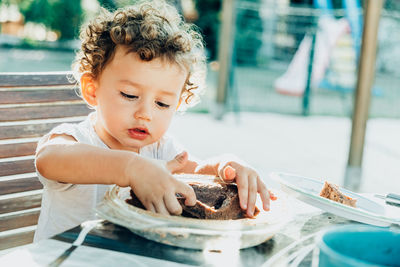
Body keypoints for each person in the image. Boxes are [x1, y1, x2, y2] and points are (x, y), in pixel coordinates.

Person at [34, 0, 274, 242]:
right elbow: (49, 159)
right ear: (92, 89)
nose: (145, 114)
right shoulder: (77, 139)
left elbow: (197, 171)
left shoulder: (160, 149)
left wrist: (226, 166)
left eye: (162, 104)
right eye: (129, 95)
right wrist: (131, 167)